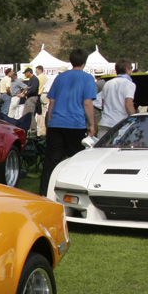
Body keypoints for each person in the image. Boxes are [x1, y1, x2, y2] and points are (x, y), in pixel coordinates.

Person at [40, 48, 98, 192]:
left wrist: (49, 122)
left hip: (56, 122)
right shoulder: (87, 78)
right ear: (85, 62)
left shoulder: (60, 77)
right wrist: (91, 124)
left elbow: (51, 102)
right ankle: (73, 188)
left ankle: (45, 190)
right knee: (76, 160)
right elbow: (87, 103)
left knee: (52, 160)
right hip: (75, 124)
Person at [97, 60, 136, 137]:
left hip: (105, 122)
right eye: (131, 68)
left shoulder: (107, 83)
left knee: (102, 148)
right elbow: (128, 105)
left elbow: (103, 104)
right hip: (119, 123)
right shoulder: (130, 84)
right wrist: (135, 118)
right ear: (127, 69)